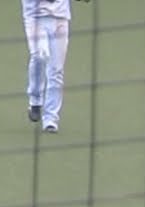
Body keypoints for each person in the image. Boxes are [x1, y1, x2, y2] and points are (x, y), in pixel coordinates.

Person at [22, 0, 88, 133]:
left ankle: (51, 119)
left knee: (56, 70)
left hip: (60, 17)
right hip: (35, 17)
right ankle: (35, 100)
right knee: (39, 56)